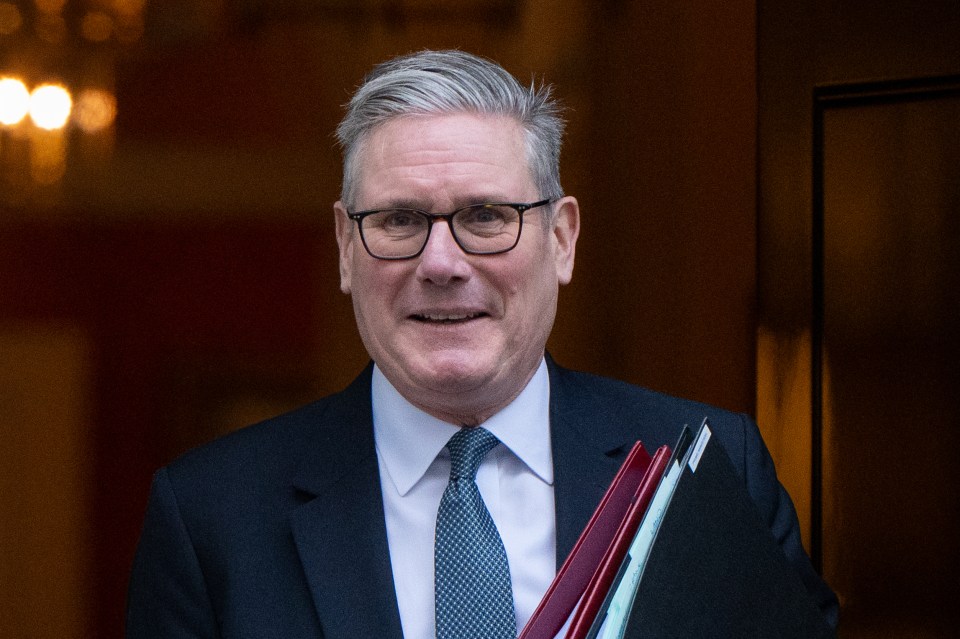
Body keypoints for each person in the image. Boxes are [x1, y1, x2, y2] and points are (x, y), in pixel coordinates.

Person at [126, 50, 839, 638]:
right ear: (346, 248)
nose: (441, 263)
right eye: (401, 220)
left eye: (487, 215)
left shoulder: (711, 475)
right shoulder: (211, 519)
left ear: (561, 239)